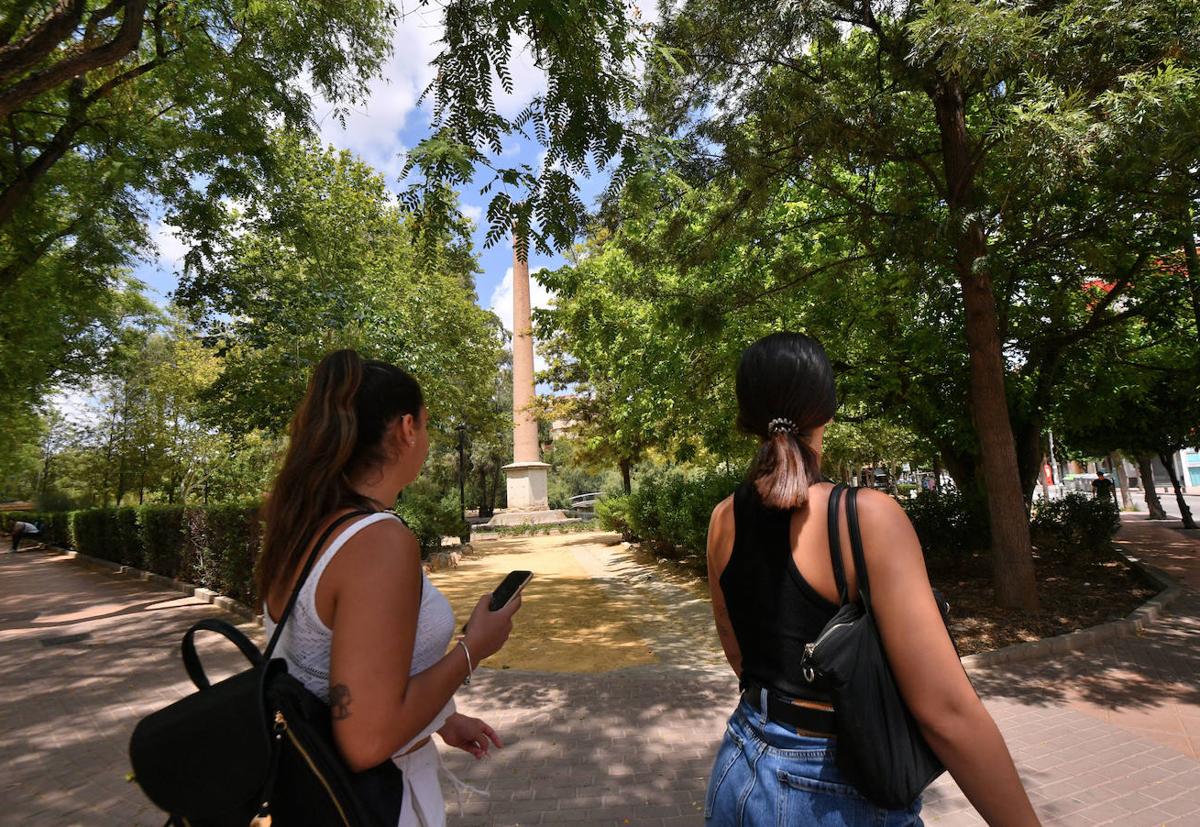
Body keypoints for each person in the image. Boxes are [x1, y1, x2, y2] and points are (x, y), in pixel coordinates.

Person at [704, 332, 1039, 826]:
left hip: (739, 763)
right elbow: (946, 711)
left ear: (745, 416)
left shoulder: (722, 519)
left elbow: (739, 655)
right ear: (827, 411)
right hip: (828, 791)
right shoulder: (865, 518)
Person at [259, 350, 521, 827]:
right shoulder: (378, 542)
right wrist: (473, 649)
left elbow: (334, 674)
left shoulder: (304, 527)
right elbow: (366, 742)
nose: (426, 438)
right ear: (406, 429)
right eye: (427, 425)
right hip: (375, 802)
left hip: (316, 794)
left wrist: (441, 718)